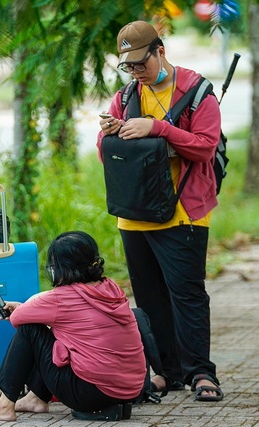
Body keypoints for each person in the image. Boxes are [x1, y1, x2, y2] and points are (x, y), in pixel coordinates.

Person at [96, 20, 223, 402]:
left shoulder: (197, 92)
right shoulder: (124, 97)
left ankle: (200, 372)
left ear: (160, 51)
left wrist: (157, 128)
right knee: (149, 298)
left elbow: (204, 147)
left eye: (141, 63)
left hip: (183, 212)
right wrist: (111, 133)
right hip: (134, 214)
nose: (136, 72)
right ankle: (165, 372)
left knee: (186, 294)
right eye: (128, 66)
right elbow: (108, 155)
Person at [0, 231, 147, 421]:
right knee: (56, 334)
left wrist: (24, 309)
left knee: (30, 330)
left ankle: (4, 406)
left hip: (90, 393)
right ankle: (35, 399)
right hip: (130, 389)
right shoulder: (110, 288)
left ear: (62, 268)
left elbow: (18, 319)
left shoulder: (62, 297)